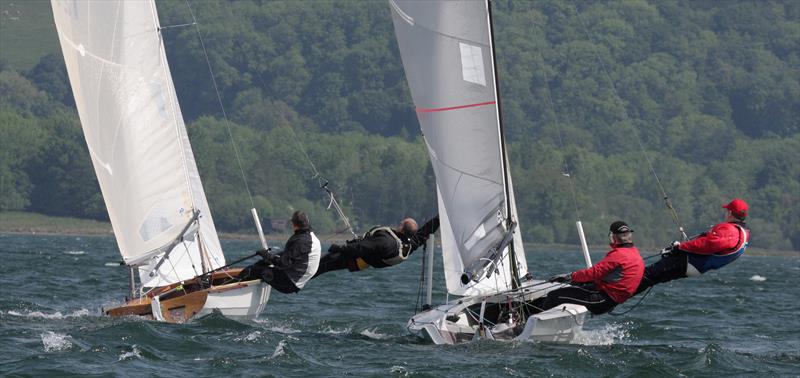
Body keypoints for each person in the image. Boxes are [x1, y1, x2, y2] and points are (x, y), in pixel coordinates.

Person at [634, 198, 750, 295]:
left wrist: (679, 248)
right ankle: (618, 300)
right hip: (694, 267)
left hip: (691, 262)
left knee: (648, 274)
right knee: (651, 279)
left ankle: (616, 296)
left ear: (730, 212)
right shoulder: (743, 233)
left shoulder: (730, 231)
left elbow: (708, 245)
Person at [534, 221, 645, 315]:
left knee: (554, 296)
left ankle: (531, 322)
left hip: (602, 300)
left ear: (613, 237)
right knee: (568, 290)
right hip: (609, 298)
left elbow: (593, 273)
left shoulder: (619, 254)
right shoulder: (634, 253)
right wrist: (575, 281)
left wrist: (569, 276)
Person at [313, 215, 439, 278]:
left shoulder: (386, 241)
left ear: (402, 228)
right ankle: (299, 277)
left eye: (401, 223)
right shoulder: (410, 245)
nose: (399, 223)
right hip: (361, 263)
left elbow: (361, 248)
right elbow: (425, 231)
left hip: (353, 258)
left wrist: (339, 248)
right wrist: (440, 217)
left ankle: (295, 281)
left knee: (321, 265)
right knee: (321, 266)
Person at [237, 211, 321, 293]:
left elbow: (283, 263)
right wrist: (267, 259)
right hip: (295, 280)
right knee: (260, 265)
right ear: (308, 221)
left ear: (294, 225)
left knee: (251, 270)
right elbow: (291, 255)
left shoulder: (301, 241)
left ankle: (233, 289)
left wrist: (266, 255)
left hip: (288, 283)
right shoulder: (311, 237)